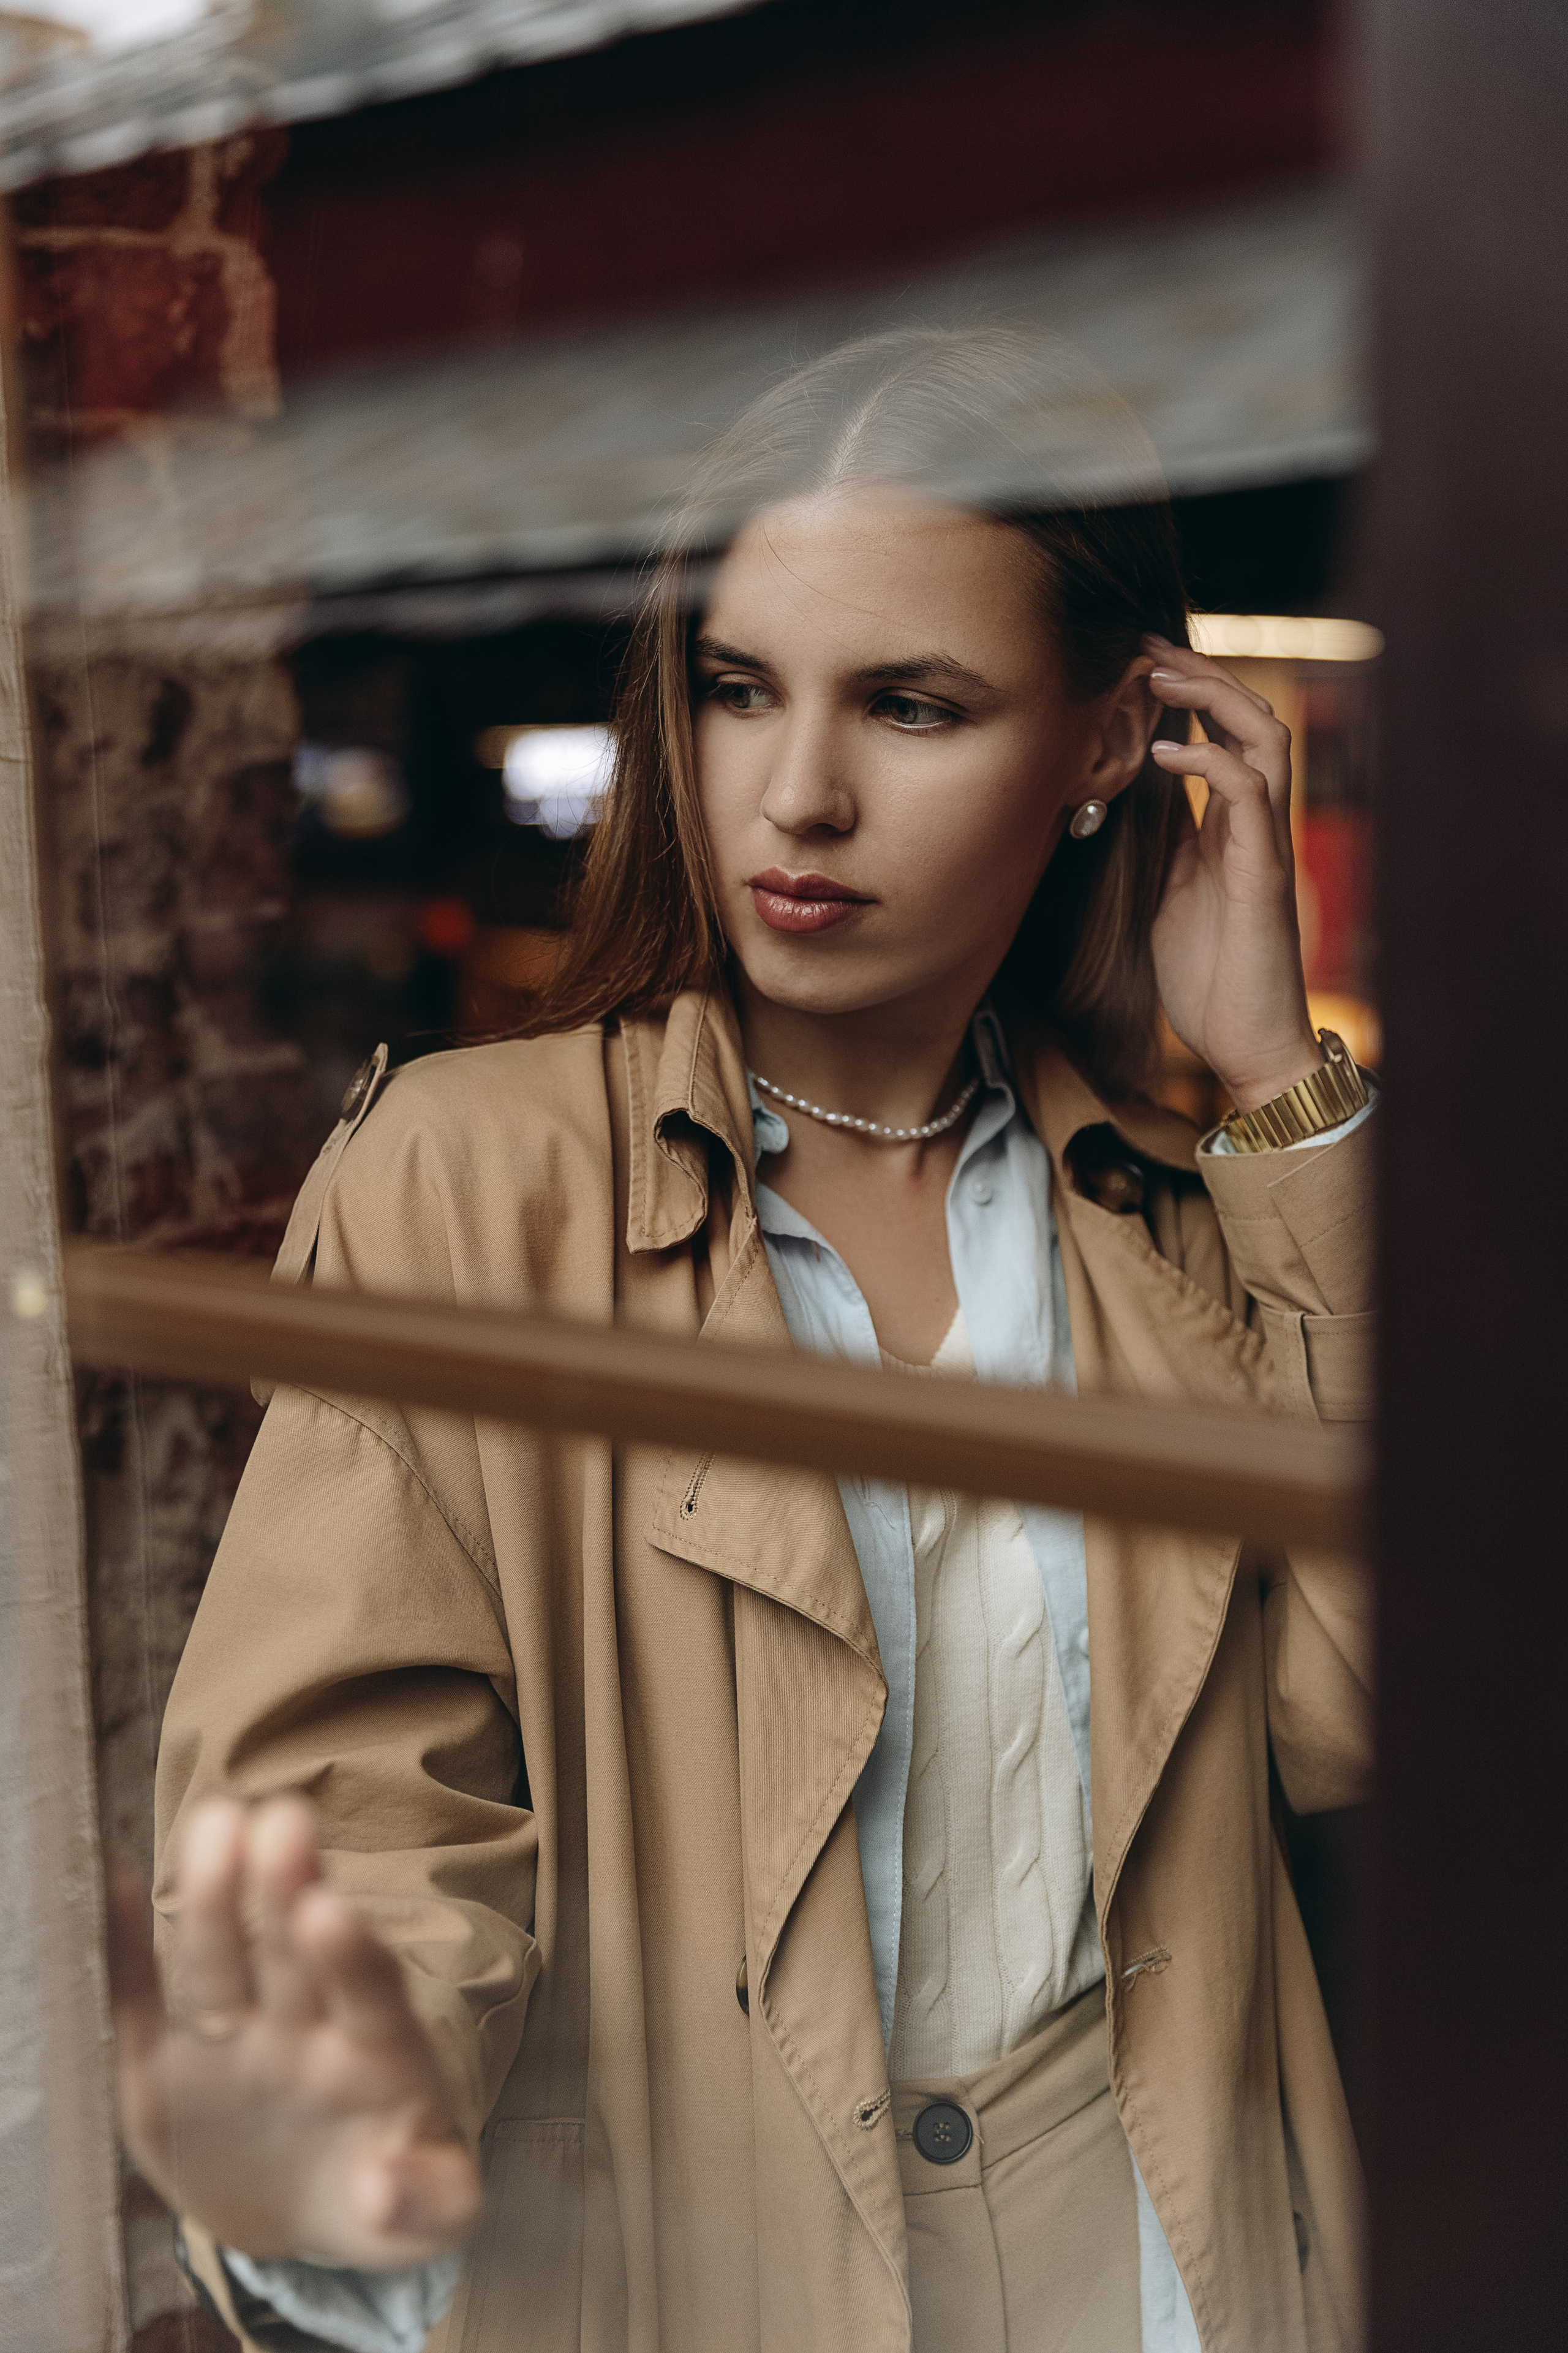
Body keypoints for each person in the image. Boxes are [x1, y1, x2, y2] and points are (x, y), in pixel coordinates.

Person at [110, 328, 1374, 2353]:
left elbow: (1371, 1706)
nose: (798, 791)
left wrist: (1281, 1101)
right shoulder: (471, 1182)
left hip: (1171, 2284)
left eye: (914, 703)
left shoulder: (1161, 1207)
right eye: (736, 685)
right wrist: (337, 2115)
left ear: (1110, 744)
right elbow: (365, 1811)